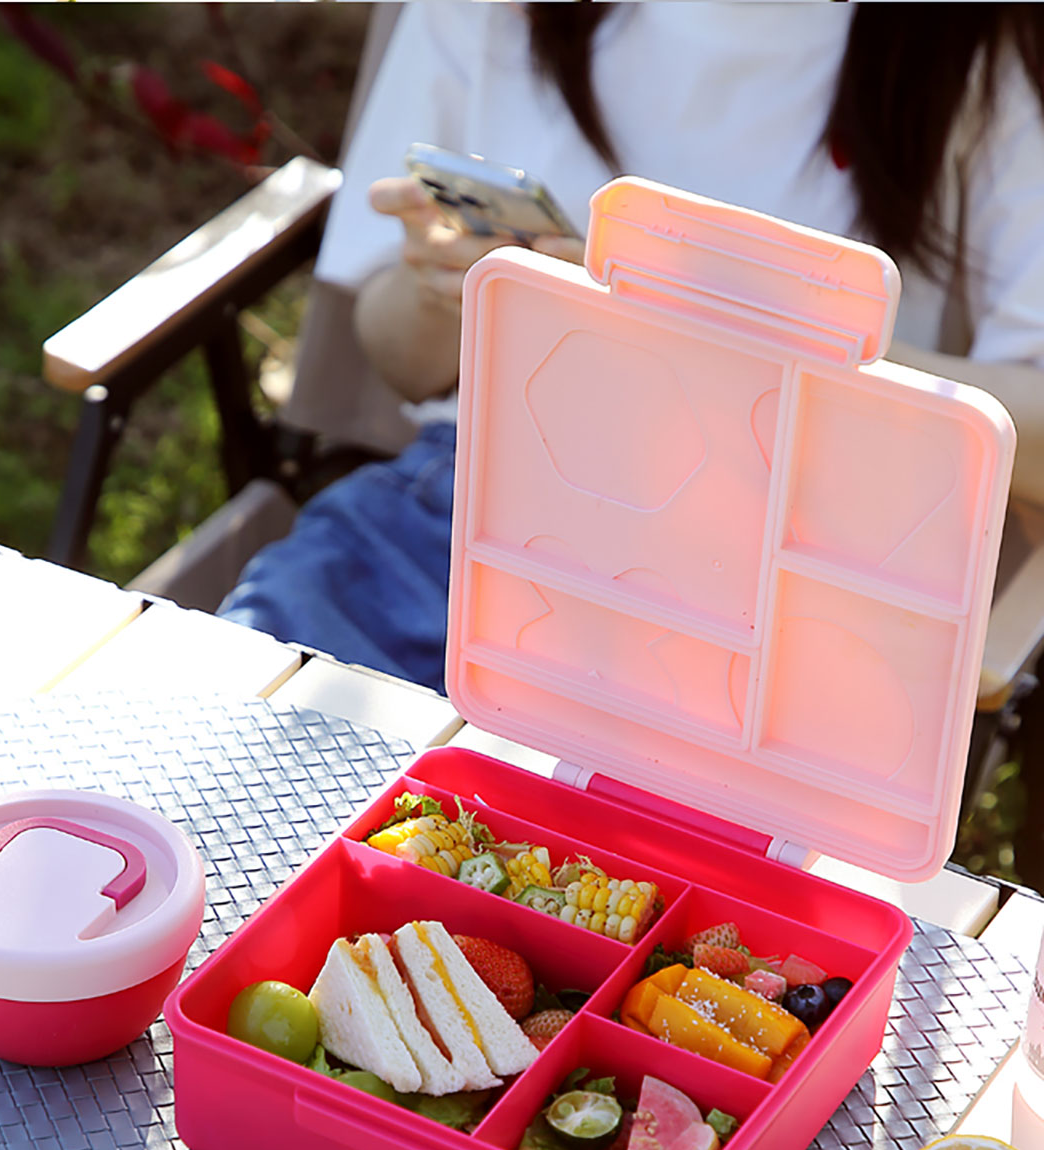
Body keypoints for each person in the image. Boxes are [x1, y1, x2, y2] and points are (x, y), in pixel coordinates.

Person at [218, 1, 1044, 695]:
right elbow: (403, 360)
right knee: (229, 739)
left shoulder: (980, 44)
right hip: (466, 513)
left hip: (781, 580)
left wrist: (745, 328)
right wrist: (448, 286)